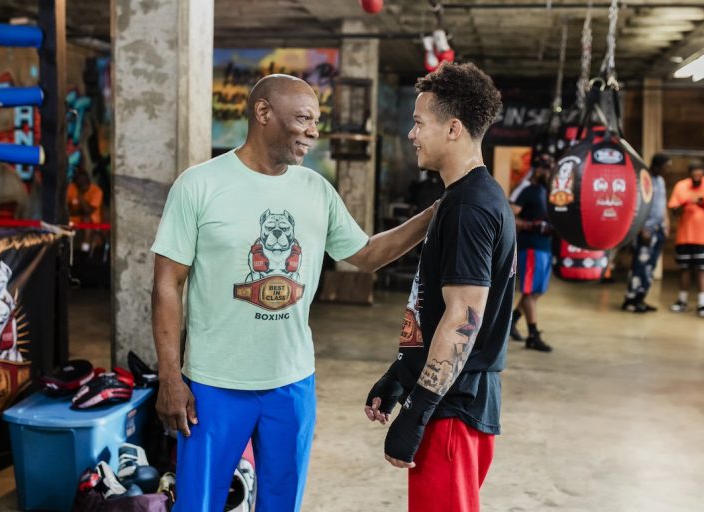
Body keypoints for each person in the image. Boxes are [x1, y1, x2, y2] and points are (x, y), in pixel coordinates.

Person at [151, 74, 436, 512]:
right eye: (304, 118)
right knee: (197, 504)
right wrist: (170, 378)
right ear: (263, 112)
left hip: (292, 381)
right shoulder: (199, 185)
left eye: (316, 121)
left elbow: (366, 255)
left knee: (283, 503)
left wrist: (435, 213)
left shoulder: (315, 189)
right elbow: (167, 283)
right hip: (213, 383)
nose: (314, 131)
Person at [363, 62, 514, 512]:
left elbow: (462, 318)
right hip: (452, 401)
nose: (411, 134)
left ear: (452, 128)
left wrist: (416, 412)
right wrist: (401, 373)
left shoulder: (469, 207)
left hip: (451, 409)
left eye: (418, 122)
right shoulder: (458, 198)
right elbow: (434, 306)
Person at [509, 153, 554, 351]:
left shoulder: (546, 190)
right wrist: (528, 225)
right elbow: (509, 214)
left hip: (545, 246)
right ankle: (533, 335)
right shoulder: (527, 189)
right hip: (531, 247)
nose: (549, 172)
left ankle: (511, 321)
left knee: (536, 292)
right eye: (546, 168)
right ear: (537, 169)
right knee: (529, 291)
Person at [668, 159, 704, 317]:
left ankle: (702, 304)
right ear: (689, 173)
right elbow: (674, 211)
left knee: (702, 270)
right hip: (684, 236)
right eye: (693, 171)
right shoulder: (681, 186)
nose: (697, 173)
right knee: (684, 268)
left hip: (703, 237)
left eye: (700, 170)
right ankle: (682, 301)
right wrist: (686, 203)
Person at [621, 154, 671, 313]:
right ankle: (630, 299)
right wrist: (642, 229)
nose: (667, 170)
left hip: (658, 230)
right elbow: (636, 206)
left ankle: (641, 298)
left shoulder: (661, 181)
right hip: (645, 231)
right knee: (639, 265)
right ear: (657, 165)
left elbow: (662, 204)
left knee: (650, 266)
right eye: (665, 166)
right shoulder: (644, 179)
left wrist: (666, 223)